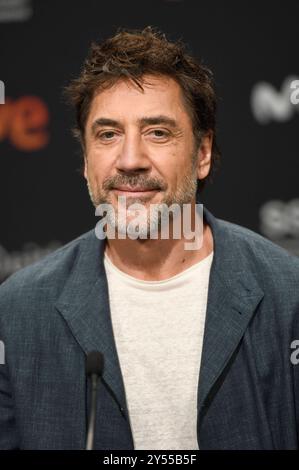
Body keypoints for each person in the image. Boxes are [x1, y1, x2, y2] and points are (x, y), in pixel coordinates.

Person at [0, 26, 299, 451]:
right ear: (86, 160)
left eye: (157, 132)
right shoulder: (16, 315)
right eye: (108, 135)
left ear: (202, 153)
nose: (131, 160)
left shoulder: (289, 296)